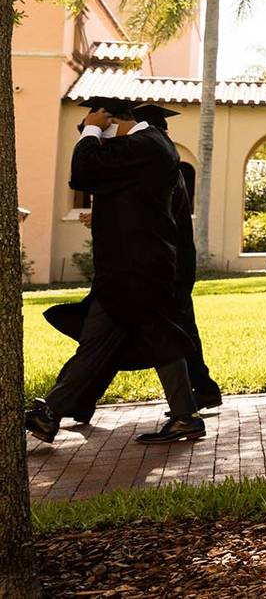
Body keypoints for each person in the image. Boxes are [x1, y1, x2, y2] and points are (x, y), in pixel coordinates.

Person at [25, 98, 206, 445]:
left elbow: (81, 172)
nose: (99, 142)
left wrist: (92, 127)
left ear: (112, 121)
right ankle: (51, 413)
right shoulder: (146, 147)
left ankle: (185, 417)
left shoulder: (145, 144)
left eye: (100, 132)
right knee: (111, 340)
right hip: (131, 266)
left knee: (144, 338)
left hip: (136, 267)